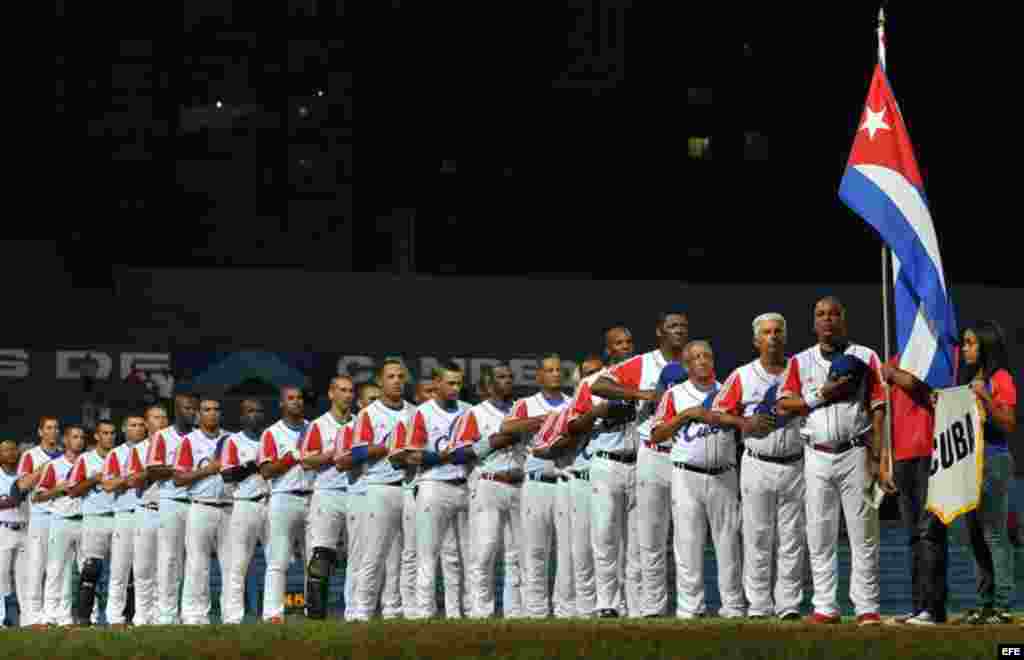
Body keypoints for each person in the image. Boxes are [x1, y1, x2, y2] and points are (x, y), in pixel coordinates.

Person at [777, 296, 888, 626]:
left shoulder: (866, 356)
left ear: (844, 319)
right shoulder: (800, 361)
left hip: (855, 451)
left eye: (833, 314)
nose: (827, 320)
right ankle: (825, 606)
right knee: (820, 533)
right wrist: (823, 393)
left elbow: (879, 406)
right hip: (816, 454)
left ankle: (867, 606)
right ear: (813, 323)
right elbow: (784, 405)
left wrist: (878, 455)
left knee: (864, 533)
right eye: (821, 315)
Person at [713, 313, 806, 621]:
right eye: (766, 332)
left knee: (792, 538)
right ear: (756, 341)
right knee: (757, 536)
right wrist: (744, 422)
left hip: (796, 461)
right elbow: (716, 413)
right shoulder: (742, 375)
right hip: (757, 462)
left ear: (786, 336)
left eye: (778, 331)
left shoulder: (802, 369)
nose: (773, 337)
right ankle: (759, 605)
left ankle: (789, 604)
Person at [652, 340, 745, 619]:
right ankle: (690, 609)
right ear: (687, 364)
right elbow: (656, 435)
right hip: (686, 474)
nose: (703, 360)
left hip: (724, 473)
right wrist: (686, 415)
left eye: (707, 355)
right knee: (687, 543)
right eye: (696, 357)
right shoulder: (675, 394)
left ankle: (733, 607)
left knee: (728, 543)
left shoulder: (727, 391)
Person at [585, 324, 663, 618]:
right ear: (608, 349)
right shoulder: (593, 382)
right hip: (606, 461)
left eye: (629, 341)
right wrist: (603, 412)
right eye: (619, 343)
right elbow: (578, 424)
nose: (626, 347)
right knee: (605, 534)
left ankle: (637, 605)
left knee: (638, 538)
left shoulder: (643, 375)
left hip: (640, 461)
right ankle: (607, 602)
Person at [879, 354, 947, 626]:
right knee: (913, 536)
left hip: (931, 451)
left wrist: (894, 374)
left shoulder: (936, 353)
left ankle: (933, 608)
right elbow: (888, 412)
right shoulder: (895, 358)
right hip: (902, 454)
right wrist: (886, 458)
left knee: (929, 532)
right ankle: (920, 607)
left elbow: (926, 390)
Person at [958, 320, 1017, 625]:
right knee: (974, 537)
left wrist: (984, 397)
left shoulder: (1000, 378)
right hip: (968, 464)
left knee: (994, 534)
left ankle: (1003, 604)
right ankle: (985, 604)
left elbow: (1007, 423)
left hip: (993, 461)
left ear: (985, 345)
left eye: (970, 343)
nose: (964, 348)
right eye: (964, 343)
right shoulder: (970, 379)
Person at [455, 363, 525, 618]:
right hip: (488, 483)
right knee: (484, 552)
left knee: (517, 553)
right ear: (488, 384)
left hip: (518, 484)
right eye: (500, 377)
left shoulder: (521, 410)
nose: (507, 381)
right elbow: (460, 453)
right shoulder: (476, 413)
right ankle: (480, 612)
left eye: (509, 376)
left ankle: (515, 612)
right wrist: (496, 441)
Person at [346, 361, 414, 621]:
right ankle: (362, 609)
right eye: (390, 377)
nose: (396, 381)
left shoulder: (414, 412)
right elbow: (357, 452)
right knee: (373, 552)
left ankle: (395, 609)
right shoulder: (369, 414)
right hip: (379, 487)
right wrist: (386, 447)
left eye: (400, 376)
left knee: (404, 554)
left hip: (408, 487)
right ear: (381, 382)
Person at [505, 354, 572, 618]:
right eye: (549, 370)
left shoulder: (571, 403)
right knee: (534, 549)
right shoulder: (526, 403)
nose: (555, 374)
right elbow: (506, 426)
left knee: (567, 549)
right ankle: (536, 609)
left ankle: (566, 608)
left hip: (566, 480)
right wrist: (542, 420)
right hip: (535, 484)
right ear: (539, 376)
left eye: (558, 370)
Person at [405, 362, 474, 619]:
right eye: (451, 383)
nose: (456, 388)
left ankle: (460, 612)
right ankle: (425, 613)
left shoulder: (469, 411)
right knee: (427, 554)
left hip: (464, 485)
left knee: (462, 555)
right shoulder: (423, 412)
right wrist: (445, 456)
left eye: (459, 383)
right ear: (437, 384)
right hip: (433, 485)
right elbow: (413, 456)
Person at [257, 386, 313, 623]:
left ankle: (314, 611)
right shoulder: (272, 433)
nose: (296, 402)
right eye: (290, 398)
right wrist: (291, 458)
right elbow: (266, 470)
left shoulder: (314, 428)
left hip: (314, 496)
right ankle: (273, 614)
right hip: (283, 496)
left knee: (314, 560)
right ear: (281, 403)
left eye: (299, 398)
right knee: (278, 560)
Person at [302, 376, 356, 620]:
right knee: (321, 556)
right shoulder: (318, 425)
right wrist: (333, 454)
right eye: (342, 390)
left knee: (359, 555)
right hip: (328, 493)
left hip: (356, 492)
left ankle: (355, 612)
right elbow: (306, 460)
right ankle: (315, 614)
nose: (347, 395)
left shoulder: (359, 423)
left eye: (350, 391)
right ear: (331, 394)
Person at [175, 397, 231, 625]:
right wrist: (208, 470)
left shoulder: (231, 440)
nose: (212, 413)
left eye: (216, 409)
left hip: (229, 507)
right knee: (197, 564)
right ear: (199, 414)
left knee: (231, 564)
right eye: (207, 410)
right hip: (200, 505)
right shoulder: (189, 441)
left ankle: (231, 615)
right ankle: (193, 615)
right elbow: (178, 478)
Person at [144, 393, 198, 625]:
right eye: (186, 408)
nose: (191, 412)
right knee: (169, 559)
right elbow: (153, 471)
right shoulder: (162, 437)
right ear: (176, 411)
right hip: (171, 501)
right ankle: (166, 614)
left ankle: (191, 613)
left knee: (195, 560)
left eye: (193, 408)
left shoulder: (200, 437)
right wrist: (180, 469)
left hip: (197, 502)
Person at [562, 354, 607, 617]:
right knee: (581, 548)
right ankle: (585, 608)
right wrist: (593, 414)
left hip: (608, 475)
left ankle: (614, 604)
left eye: (598, 371)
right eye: (588, 372)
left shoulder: (618, 398)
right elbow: (564, 437)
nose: (593, 376)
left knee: (613, 545)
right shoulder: (572, 407)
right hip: (580, 477)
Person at [220, 399, 270, 625]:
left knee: (275, 561)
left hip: (271, 502)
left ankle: (272, 614)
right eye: (250, 411)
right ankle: (233, 617)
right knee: (238, 563)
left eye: (258, 410)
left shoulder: (271, 437)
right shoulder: (233, 441)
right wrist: (253, 465)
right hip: (245, 503)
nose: (255, 415)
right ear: (241, 416)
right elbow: (227, 475)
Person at [67, 420, 118, 626]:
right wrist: (94, 480)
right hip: (95, 518)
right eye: (105, 433)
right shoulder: (86, 459)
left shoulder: (122, 455)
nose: (109, 436)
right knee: (91, 570)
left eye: (112, 433)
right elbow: (72, 490)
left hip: (120, 517)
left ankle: (122, 617)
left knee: (124, 570)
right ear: (96, 436)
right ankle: (84, 617)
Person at [16, 416, 65, 628]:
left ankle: (52, 615)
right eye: (49, 428)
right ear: (40, 432)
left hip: (60, 517)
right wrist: (44, 468)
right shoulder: (30, 455)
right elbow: (22, 485)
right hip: (39, 516)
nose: (53, 431)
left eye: (56, 428)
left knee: (57, 569)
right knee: (35, 568)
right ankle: (31, 617)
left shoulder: (65, 454)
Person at [36, 425, 87, 627]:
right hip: (61, 520)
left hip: (84, 520)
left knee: (85, 570)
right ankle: (50, 615)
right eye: (75, 437)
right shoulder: (54, 465)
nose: (79, 441)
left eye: (82, 437)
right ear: (65, 441)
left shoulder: (90, 462)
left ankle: (79, 615)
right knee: (56, 569)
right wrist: (58, 488)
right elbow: (38, 496)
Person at [101, 414, 148, 628]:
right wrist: (129, 478)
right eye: (132, 425)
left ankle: (144, 616)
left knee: (144, 570)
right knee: (119, 569)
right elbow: (108, 485)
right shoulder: (116, 453)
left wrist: (128, 479)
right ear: (124, 428)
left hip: (147, 512)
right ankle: (115, 617)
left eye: (140, 425)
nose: (137, 428)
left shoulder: (152, 449)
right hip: (125, 513)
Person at [131, 405, 169, 626]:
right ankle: (143, 616)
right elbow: (134, 482)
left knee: (168, 565)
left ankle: (163, 615)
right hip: (147, 508)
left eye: (164, 417)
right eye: (156, 417)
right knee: (144, 567)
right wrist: (156, 470)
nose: (161, 421)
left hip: (172, 509)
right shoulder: (139, 449)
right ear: (147, 423)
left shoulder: (178, 443)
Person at [0, 438, 36, 627]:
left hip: (25, 528)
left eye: (13, 449)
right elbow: (11, 501)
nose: (11, 453)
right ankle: (2, 620)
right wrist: (11, 501)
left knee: (25, 577)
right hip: (3, 528)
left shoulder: (25, 475)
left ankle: (27, 619)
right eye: (5, 450)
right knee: (1, 576)